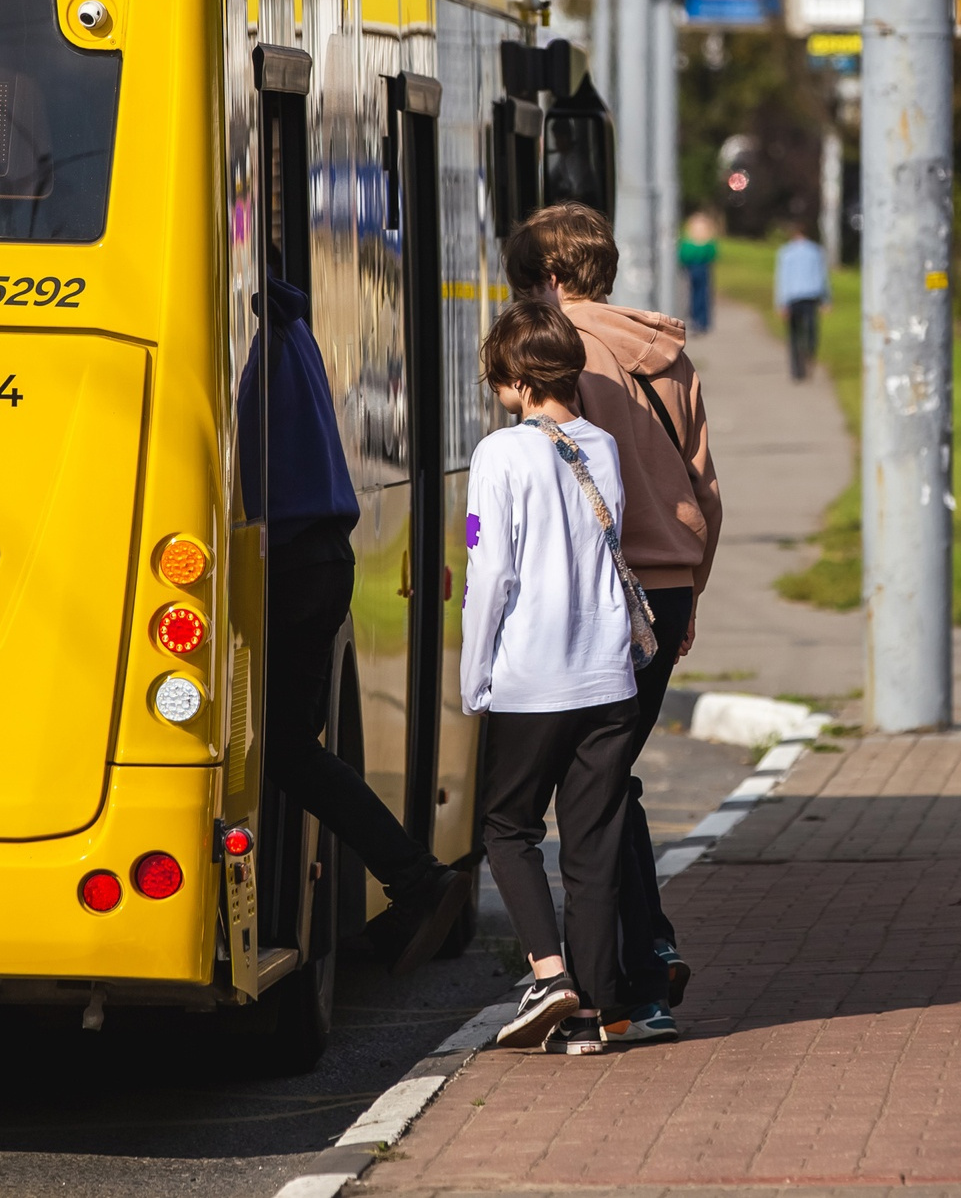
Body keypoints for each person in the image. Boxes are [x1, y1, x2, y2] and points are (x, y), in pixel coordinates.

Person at [506, 202, 720, 1045]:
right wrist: (691, 588)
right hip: (666, 590)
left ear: (553, 279)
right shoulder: (667, 351)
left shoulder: (564, 356)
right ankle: (646, 955)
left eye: (529, 282)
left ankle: (630, 981)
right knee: (609, 778)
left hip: (601, 591)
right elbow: (704, 485)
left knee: (591, 791)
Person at [242, 274, 473, 974]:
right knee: (294, 746)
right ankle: (412, 876)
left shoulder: (253, 338)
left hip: (290, 561)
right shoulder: (286, 326)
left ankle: (415, 875)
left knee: (284, 748)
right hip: (317, 559)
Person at [463, 301, 649, 1054]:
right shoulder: (602, 445)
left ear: (514, 377)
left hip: (531, 676)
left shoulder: (500, 454)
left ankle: (547, 973)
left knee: (507, 830)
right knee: (594, 843)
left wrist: (476, 675)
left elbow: (491, 572)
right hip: (607, 678)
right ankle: (599, 1009)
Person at [773, 222, 829, 381]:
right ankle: (808, 356)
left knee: (794, 334)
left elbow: (781, 279)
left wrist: (780, 303)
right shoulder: (815, 251)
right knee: (810, 332)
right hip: (810, 297)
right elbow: (823, 277)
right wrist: (826, 299)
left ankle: (797, 369)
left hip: (793, 298)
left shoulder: (786, 252)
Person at [678, 212, 720, 334]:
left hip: (699, 270)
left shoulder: (702, 244)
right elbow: (684, 256)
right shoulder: (692, 243)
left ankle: (701, 320)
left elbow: (711, 256)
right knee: (697, 296)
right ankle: (699, 320)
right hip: (696, 270)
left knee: (700, 295)